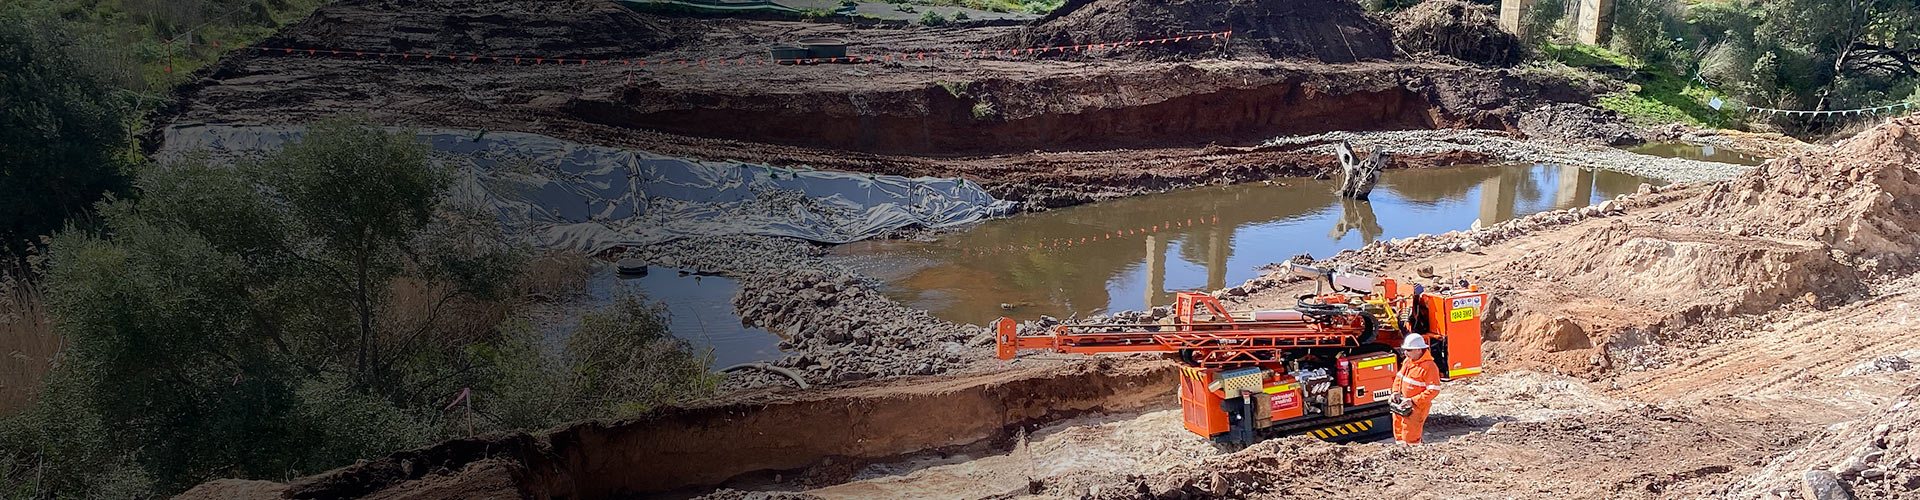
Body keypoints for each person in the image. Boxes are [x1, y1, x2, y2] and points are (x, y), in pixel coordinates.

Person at [1389, 333, 1441, 444]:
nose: (1405, 353)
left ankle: (1414, 456)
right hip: (1402, 403)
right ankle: (1400, 453)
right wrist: (1395, 392)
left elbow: (1434, 390)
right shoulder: (1408, 361)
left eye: (1409, 350)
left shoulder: (1429, 367)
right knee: (1398, 432)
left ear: (1418, 350)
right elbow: (1399, 377)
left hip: (1417, 407)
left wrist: (1413, 401)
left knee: (1410, 437)